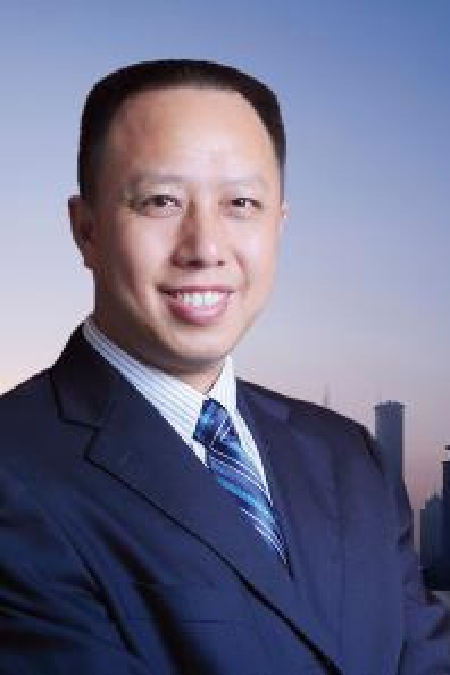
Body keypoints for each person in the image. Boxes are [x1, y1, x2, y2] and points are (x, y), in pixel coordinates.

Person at [0, 59, 448, 675]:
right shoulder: (14, 473)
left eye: (241, 203)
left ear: (278, 225)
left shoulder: (350, 458)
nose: (205, 247)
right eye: (161, 201)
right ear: (86, 230)